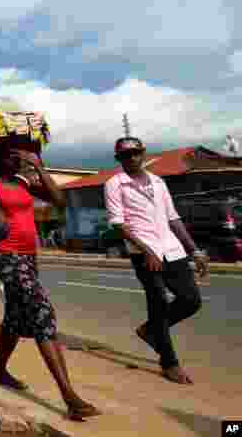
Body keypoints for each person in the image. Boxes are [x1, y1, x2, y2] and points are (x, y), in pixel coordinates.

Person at [0, 141, 100, 421]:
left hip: (29, 255)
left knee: (16, 316)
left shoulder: (23, 182)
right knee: (42, 313)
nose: (16, 159)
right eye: (10, 155)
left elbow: (59, 201)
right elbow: (0, 225)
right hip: (6, 256)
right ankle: (69, 396)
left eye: (17, 155)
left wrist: (39, 167)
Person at [104, 137, 207, 385]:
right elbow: (118, 224)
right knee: (158, 302)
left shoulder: (158, 181)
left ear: (143, 154)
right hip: (144, 253)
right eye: (125, 155)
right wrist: (146, 250)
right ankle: (169, 362)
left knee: (191, 300)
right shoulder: (115, 184)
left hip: (172, 250)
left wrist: (194, 250)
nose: (131, 158)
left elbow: (173, 218)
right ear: (119, 159)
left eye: (135, 153)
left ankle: (151, 330)